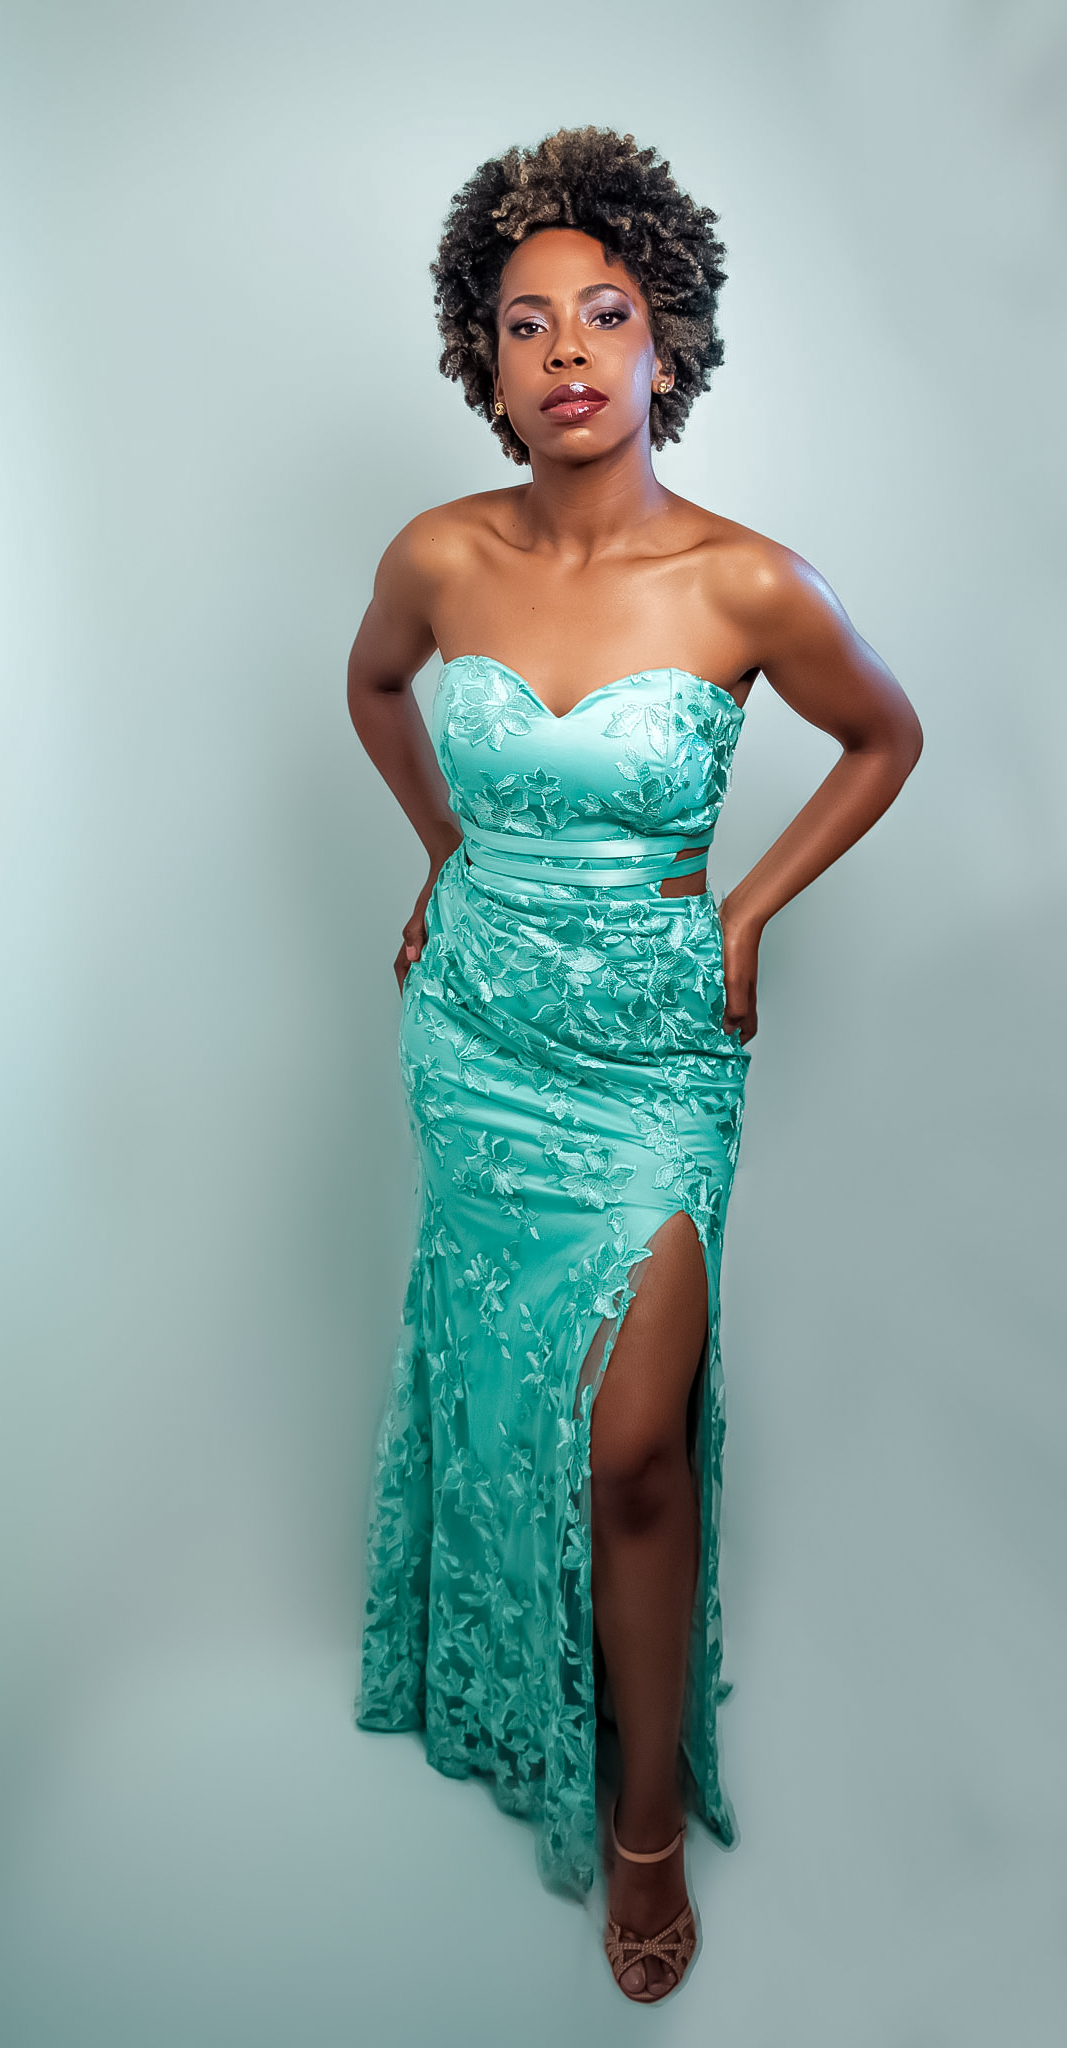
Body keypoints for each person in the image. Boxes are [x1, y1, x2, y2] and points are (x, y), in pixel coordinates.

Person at [347, 127, 921, 2005]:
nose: (569, 352)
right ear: (486, 360)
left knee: (638, 1447)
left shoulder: (747, 583)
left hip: (656, 1055)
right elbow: (372, 689)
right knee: (514, 1381)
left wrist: (746, 912)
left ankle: (646, 1828)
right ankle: (523, 1679)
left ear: (665, 340)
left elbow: (884, 739)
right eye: (527, 324)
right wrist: (450, 854)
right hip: (479, 1032)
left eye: (605, 313)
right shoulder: (438, 557)